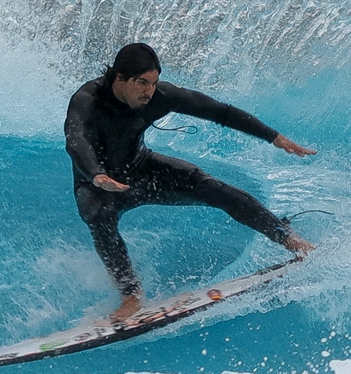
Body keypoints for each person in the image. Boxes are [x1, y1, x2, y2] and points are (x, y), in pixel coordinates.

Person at [64, 42, 317, 321]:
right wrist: (97, 175)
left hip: (141, 170)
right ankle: (131, 296)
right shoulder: (87, 100)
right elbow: (76, 141)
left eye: (153, 83)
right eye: (142, 83)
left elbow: (219, 112)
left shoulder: (159, 96)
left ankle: (291, 241)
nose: (149, 91)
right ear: (119, 78)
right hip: (97, 183)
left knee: (212, 188)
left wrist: (273, 137)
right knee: (96, 210)